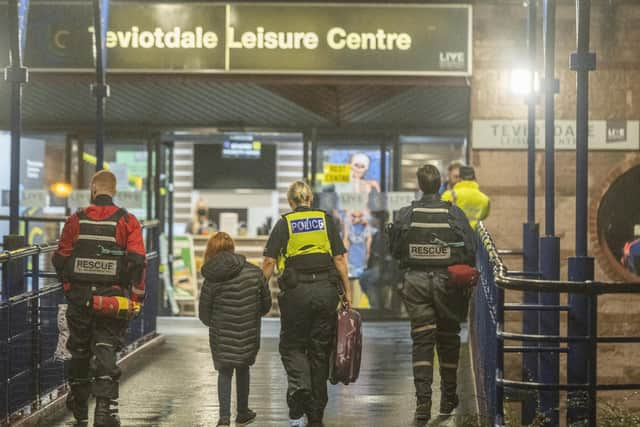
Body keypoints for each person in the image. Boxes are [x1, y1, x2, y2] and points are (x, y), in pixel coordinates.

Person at [52, 170, 146, 427]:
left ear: (94, 190)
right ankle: (104, 411)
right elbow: (138, 262)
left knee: (79, 351)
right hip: (112, 301)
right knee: (105, 349)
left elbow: (60, 259)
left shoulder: (75, 220)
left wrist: (70, 288)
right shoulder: (128, 221)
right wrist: (137, 298)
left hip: (80, 300)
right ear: (113, 191)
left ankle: (80, 408)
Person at [388, 165, 476, 424]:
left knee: (422, 341)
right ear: (441, 185)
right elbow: (469, 250)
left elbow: (394, 250)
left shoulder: (407, 213)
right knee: (448, 338)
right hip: (448, 283)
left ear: (419, 184)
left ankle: (422, 404)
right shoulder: (454, 213)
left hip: (415, 282)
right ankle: (448, 396)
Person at [261, 181, 352, 427]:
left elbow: (269, 262)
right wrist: (347, 292)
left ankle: (300, 386)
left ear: (291, 202)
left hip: (296, 294)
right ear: (310, 200)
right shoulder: (325, 221)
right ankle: (316, 413)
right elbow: (340, 260)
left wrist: (260, 290)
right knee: (319, 351)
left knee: (292, 346)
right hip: (326, 292)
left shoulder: (285, 223)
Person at [198, 232, 272, 427]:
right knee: (243, 366)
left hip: (221, 333)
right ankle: (243, 412)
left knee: (224, 371)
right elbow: (266, 304)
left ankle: (224, 417)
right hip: (248, 330)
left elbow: (204, 314)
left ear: (211, 251)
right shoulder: (254, 272)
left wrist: (215, 323)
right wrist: (251, 316)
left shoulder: (211, 277)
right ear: (232, 248)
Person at [343, 209, 372, 278]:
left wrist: (367, 224)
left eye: (360, 216)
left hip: (363, 262)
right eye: (354, 216)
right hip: (351, 263)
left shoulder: (366, 227)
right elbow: (345, 246)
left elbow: (368, 247)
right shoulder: (349, 227)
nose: (357, 219)